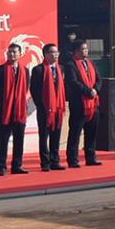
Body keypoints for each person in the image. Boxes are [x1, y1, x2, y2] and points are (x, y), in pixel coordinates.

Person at [0, 41, 31, 175]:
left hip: (19, 110)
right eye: (9, 52)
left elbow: (25, 88)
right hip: (5, 110)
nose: (11, 54)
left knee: (19, 140)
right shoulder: (0, 70)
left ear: (20, 54)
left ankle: (17, 165)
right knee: (3, 140)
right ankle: (1, 167)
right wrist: (4, 101)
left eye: (14, 52)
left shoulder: (25, 70)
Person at [63, 39, 103, 168]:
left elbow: (98, 79)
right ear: (76, 51)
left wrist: (95, 90)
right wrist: (88, 91)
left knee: (92, 132)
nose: (85, 51)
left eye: (86, 49)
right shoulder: (70, 65)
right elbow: (73, 83)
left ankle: (90, 157)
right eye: (82, 49)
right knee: (75, 133)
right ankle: (72, 159)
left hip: (93, 103)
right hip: (79, 104)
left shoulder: (90, 63)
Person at [31, 43, 68, 171]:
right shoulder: (38, 70)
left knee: (56, 135)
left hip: (57, 108)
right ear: (45, 55)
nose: (55, 55)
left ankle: (55, 161)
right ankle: (45, 162)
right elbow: (34, 90)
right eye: (52, 52)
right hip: (45, 109)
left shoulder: (60, 68)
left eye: (57, 52)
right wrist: (42, 106)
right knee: (44, 136)